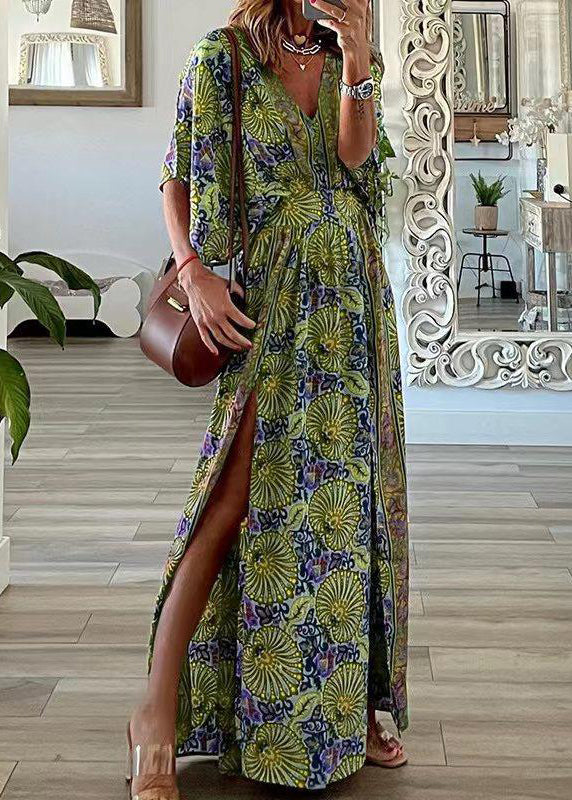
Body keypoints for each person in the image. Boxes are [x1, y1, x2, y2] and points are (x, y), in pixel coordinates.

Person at [127, 0, 409, 795]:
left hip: (352, 305)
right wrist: (192, 271)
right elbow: (176, 174)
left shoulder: (345, 53)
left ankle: (347, 709)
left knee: (347, 508)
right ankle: (153, 713)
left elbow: (353, 161)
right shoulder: (222, 58)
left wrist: (359, 61)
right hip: (275, 299)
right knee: (232, 496)